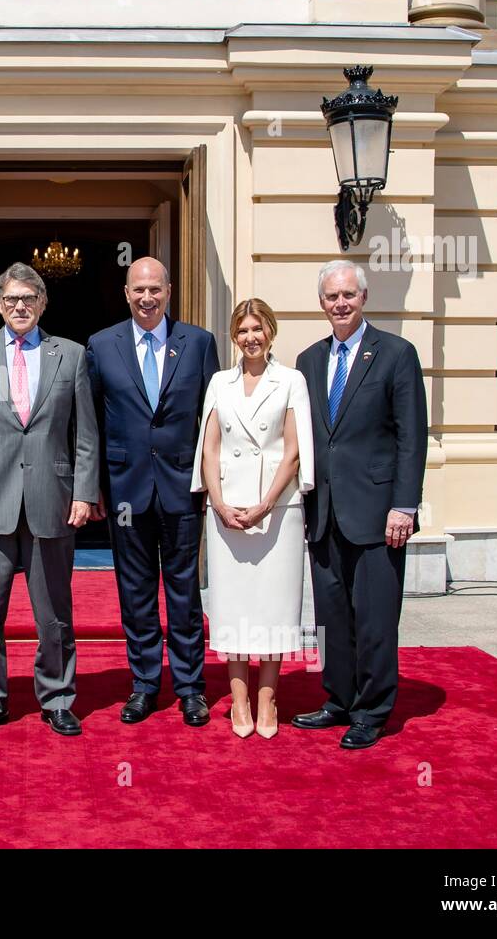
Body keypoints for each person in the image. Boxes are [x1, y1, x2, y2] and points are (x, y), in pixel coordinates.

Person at [0, 263, 100, 737]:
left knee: (54, 614)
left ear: (43, 304)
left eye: (29, 299)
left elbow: (85, 434)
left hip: (51, 501)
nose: (20, 307)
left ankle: (58, 697)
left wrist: (84, 492)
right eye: (12, 299)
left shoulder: (71, 355)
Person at [291, 260, 428, 749]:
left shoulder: (395, 354)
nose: (340, 304)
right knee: (331, 616)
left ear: (364, 297)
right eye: (331, 297)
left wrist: (404, 506)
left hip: (377, 513)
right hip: (324, 512)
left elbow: (413, 438)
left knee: (374, 617)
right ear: (322, 302)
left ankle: (373, 710)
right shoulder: (307, 361)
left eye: (348, 295)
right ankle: (339, 698)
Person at [86, 257, 220, 728]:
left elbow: (213, 421)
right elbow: (92, 425)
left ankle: (189, 688)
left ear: (169, 291)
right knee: (136, 592)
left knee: (184, 592)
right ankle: (144, 684)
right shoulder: (101, 346)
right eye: (139, 290)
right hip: (125, 491)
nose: (147, 298)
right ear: (126, 293)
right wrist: (94, 487)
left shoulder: (199, 343)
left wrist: (215, 485)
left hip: (184, 488)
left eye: (155, 290)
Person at [192, 299, 313, 738]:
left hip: (277, 512)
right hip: (227, 514)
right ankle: (239, 698)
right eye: (242, 331)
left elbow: (295, 451)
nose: (250, 338)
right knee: (234, 608)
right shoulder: (219, 383)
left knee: (274, 608)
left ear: (271, 331)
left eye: (258, 329)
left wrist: (264, 505)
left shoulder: (291, 380)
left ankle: (268, 698)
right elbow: (209, 448)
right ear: (233, 336)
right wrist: (220, 504)